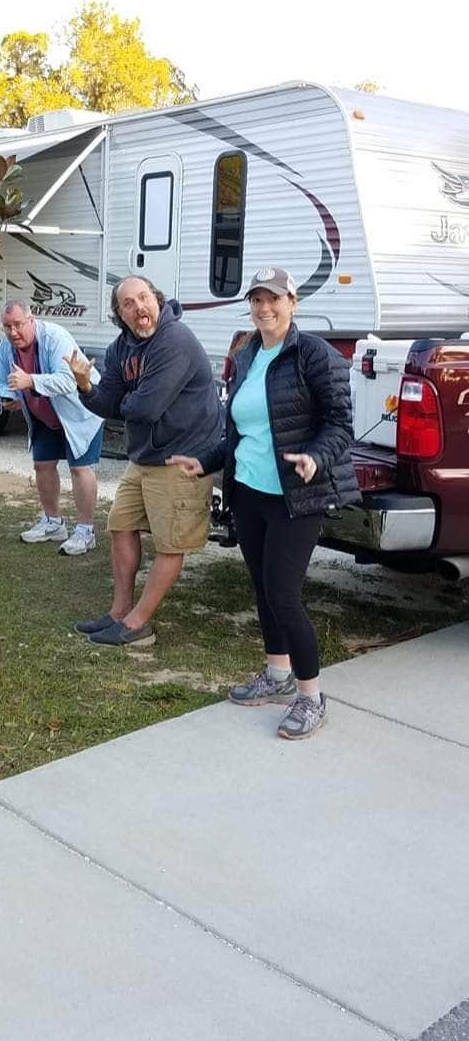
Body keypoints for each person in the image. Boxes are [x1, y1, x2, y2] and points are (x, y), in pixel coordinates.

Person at [168, 265, 361, 741]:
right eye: (256, 300)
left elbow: (340, 424)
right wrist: (206, 461)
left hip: (297, 494)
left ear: (293, 302)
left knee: (284, 593)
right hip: (250, 491)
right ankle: (276, 675)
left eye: (273, 299)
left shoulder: (315, 354)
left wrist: (316, 456)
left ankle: (311, 697)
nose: (264, 308)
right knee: (261, 587)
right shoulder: (248, 353)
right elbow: (238, 429)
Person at [65, 276, 223, 646]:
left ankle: (138, 624)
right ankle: (119, 612)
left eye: (144, 298)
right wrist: (85, 386)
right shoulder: (121, 348)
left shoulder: (175, 341)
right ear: (119, 314)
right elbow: (108, 402)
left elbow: (147, 407)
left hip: (181, 458)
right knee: (120, 525)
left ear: (158, 299)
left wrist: (121, 401)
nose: (139, 308)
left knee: (170, 543)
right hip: (145, 457)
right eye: (128, 304)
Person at [0, 300, 104, 556]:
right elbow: (2, 381)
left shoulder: (56, 337)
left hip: (79, 412)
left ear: (31, 320)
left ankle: (86, 531)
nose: (13, 332)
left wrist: (30, 381)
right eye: (7, 327)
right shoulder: (6, 346)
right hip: (43, 415)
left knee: (79, 468)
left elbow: (69, 381)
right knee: (42, 465)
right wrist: (6, 397)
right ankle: (53, 523)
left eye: (18, 325)